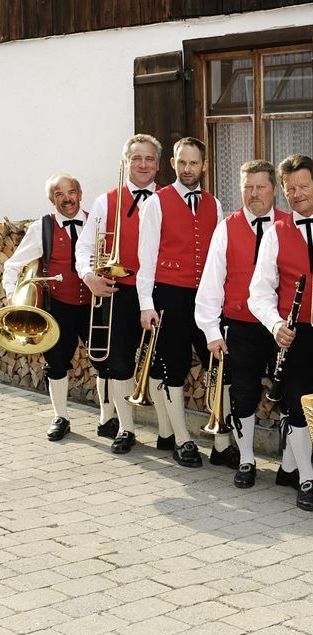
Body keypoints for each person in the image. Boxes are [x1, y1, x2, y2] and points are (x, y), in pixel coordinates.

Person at [248, 154, 313, 511]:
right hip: (296, 334)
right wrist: (275, 324)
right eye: (290, 189)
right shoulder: (275, 233)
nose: (297, 194)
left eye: (304, 186)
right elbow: (258, 293)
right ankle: (306, 480)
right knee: (297, 405)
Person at [195, 160, 290, 488]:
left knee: (289, 393)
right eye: (247, 187)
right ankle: (247, 459)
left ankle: (289, 466)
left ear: (274, 190)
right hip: (240, 326)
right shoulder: (227, 227)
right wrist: (211, 331)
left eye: (261, 187)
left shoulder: (290, 225)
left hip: (281, 328)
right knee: (243, 394)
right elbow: (211, 282)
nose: (254, 194)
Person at [77, 134, 170, 454]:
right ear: (126, 163)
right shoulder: (106, 200)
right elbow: (85, 247)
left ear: (158, 164)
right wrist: (89, 276)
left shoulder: (169, 199)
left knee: (163, 362)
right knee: (118, 363)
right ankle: (126, 428)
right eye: (136, 158)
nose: (143, 164)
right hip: (118, 291)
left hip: (159, 291)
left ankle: (168, 432)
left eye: (149, 158)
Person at [137, 136, 224, 468]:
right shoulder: (156, 203)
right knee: (172, 366)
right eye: (182, 162)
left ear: (204, 165)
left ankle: (222, 442)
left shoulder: (214, 204)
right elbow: (146, 258)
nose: (188, 169)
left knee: (217, 365)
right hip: (169, 295)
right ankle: (181, 439)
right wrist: (146, 304)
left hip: (206, 298)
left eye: (194, 163)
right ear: (173, 164)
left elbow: (219, 259)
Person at [3, 174, 92, 441]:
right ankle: (60, 417)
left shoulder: (96, 221)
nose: (67, 199)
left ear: (80, 194)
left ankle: (108, 419)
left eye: (71, 192)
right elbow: (13, 265)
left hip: (95, 304)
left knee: (107, 363)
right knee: (56, 363)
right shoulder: (42, 227)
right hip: (59, 307)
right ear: (51, 199)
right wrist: (13, 298)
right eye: (58, 194)